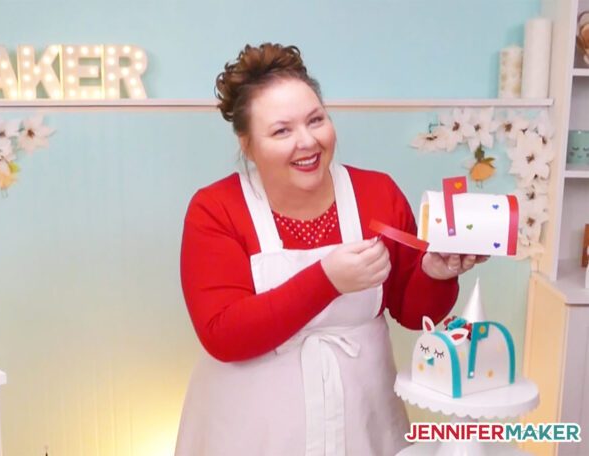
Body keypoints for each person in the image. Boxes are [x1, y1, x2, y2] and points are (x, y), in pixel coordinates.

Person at [175, 43, 486, 456]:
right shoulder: (216, 209)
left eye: (316, 120)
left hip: (363, 418)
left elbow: (413, 313)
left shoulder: (378, 193)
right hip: (251, 428)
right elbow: (224, 335)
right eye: (281, 130)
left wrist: (435, 273)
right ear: (247, 144)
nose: (307, 142)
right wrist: (328, 281)